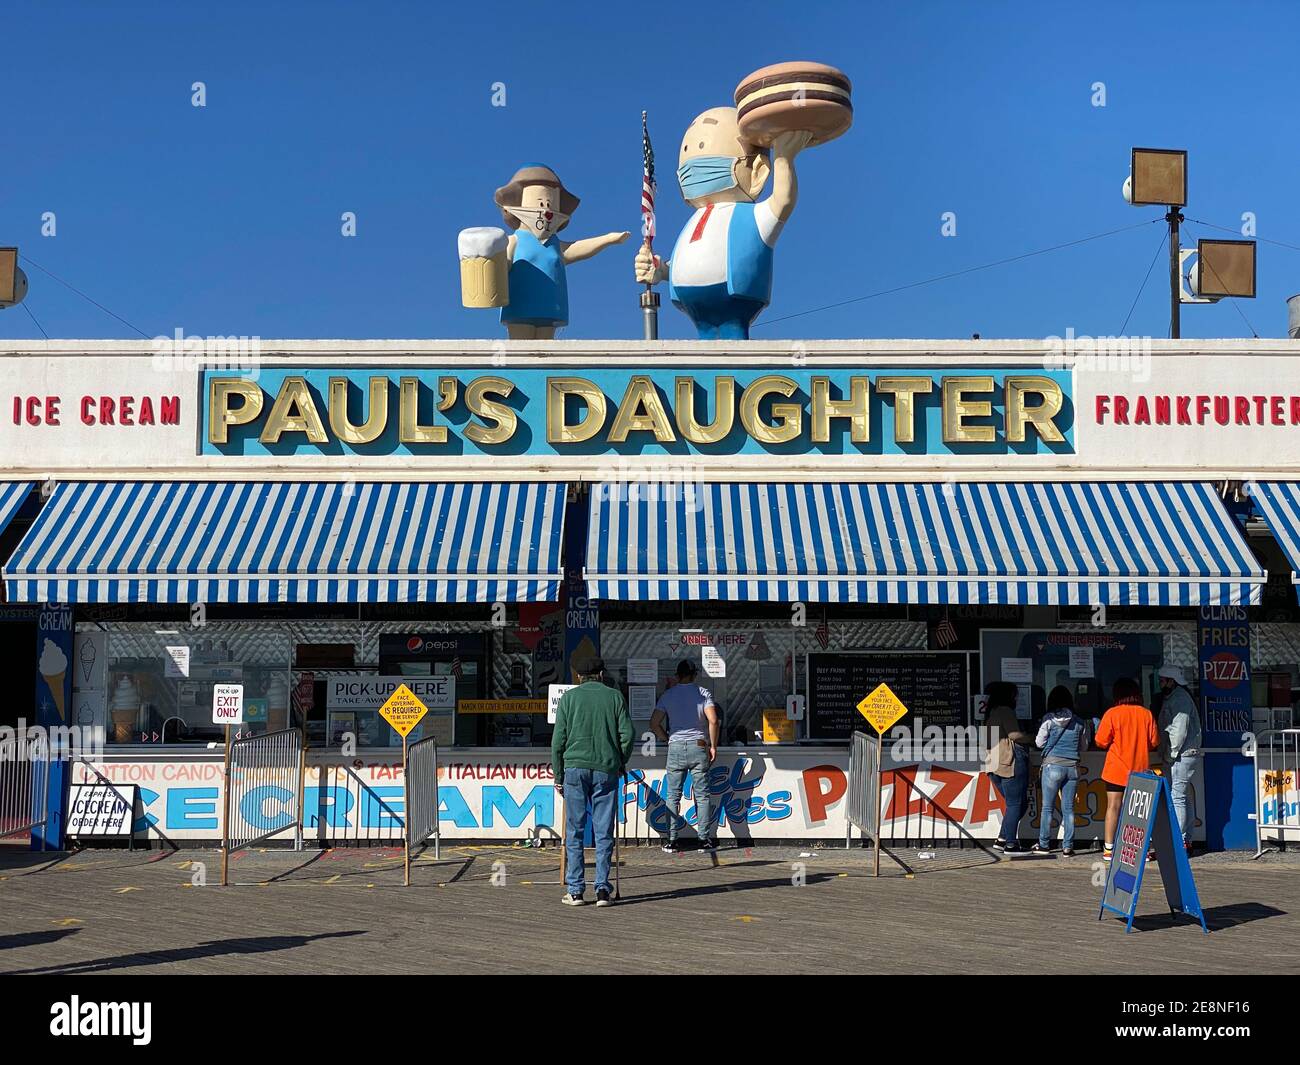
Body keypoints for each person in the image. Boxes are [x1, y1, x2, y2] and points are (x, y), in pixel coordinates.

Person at [633, 108, 812, 339]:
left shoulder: (751, 216)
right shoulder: (695, 219)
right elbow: (687, 259)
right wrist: (661, 269)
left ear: (757, 172)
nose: (692, 171)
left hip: (734, 295)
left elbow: (783, 200)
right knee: (705, 357)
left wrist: (783, 159)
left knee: (733, 348)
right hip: (692, 303)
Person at [494, 165, 629, 339]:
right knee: (521, 349)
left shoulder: (555, 245)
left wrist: (608, 239)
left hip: (549, 309)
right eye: (541, 203)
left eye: (549, 204)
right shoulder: (513, 241)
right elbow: (499, 267)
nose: (546, 209)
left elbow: (578, 248)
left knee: (545, 353)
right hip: (519, 308)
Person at [551, 655, 633, 907]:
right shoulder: (614, 697)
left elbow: (558, 741)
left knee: (574, 831)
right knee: (603, 830)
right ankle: (602, 890)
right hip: (605, 769)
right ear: (600, 674)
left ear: (577, 676)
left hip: (574, 768)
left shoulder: (569, 698)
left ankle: (575, 890)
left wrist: (558, 775)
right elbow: (627, 735)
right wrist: (619, 762)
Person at [649, 659, 721, 853]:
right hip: (699, 746)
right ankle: (703, 840)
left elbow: (654, 723)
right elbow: (713, 721)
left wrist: (666, 737)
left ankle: (672, 841)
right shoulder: (703, 693)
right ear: (694, 674)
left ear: (677, 675)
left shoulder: (668, 695)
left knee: (673, 795)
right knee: (702, 795)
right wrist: (713, 746)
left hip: (675, 747)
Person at [1094, 677, 1159, 863]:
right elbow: (1154, 742)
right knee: (1139, 812)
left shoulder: (1112, 714)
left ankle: (1109, 849)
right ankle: (1141, 850)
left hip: (1115, 769)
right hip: (1139, 770)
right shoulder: (1146, 714)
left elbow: (1100, 741)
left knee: (1113, 807)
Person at [1031, 686, 1090, 856]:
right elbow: (1084, 746)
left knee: (1047, 808)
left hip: (1052, 767)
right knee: (1069, 808)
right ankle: (1068, 846)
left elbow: (1039, 743)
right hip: (1072, 768)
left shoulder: (1048, 720)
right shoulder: (1080, 721)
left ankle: (1044, 844)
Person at [982, 681, 1033, 853]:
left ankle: (1002, 838)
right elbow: (1014, 735)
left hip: (993, 765)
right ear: (1008, 696)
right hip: (1008, 762)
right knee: (1015, 804)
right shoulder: (1006, 711)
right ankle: (1011, 844)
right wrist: (1033, 738)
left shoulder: (991, 713)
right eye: (1015, 695)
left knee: (1019, 803)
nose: (1017, 698)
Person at [1157, 665, 1202, 854]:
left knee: (1177, 797)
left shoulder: (1180, 699)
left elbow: (1179, 730)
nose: (1159, 683)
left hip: (1181, 755)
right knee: (1183, 798)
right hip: (1184, 753)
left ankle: (1179, 841)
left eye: (1162, 680)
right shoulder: (1177, 697)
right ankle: (1185, 840)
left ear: (1171, 680)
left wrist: (1170, 754)